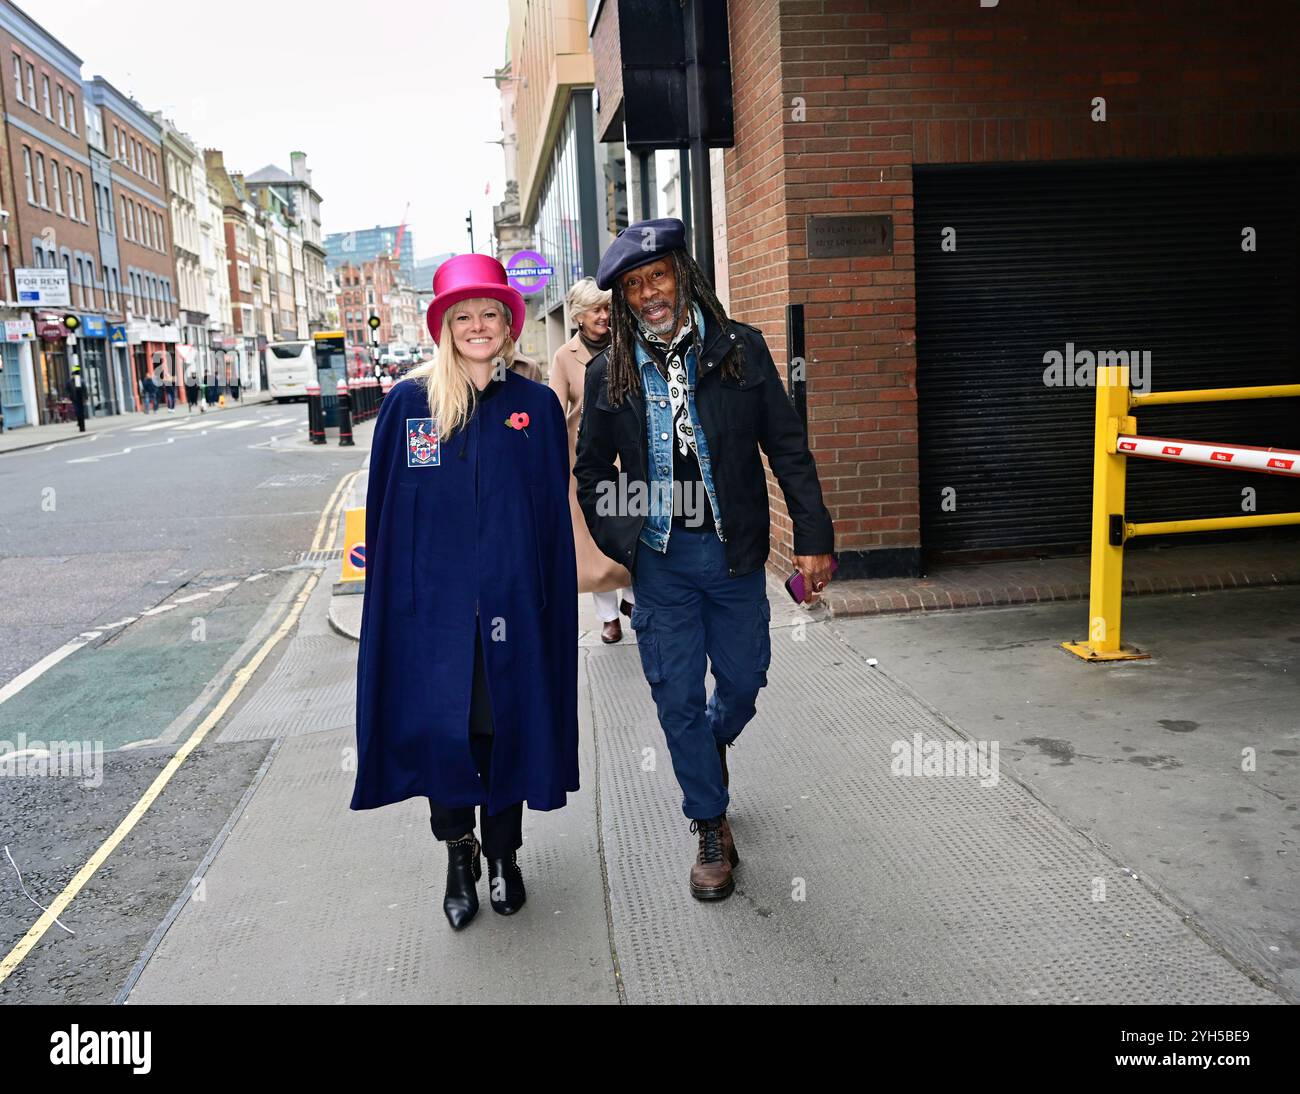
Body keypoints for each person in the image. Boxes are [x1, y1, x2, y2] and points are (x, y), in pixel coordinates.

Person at [575, 218, 836, 902]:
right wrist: (626, 538)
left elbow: (787, 446)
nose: (647, 293)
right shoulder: (612, 372)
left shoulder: (739, 351)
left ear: (682, 276)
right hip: (661, 561)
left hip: (733, 554)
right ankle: (710, 823)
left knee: (745, 681)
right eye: (633, 285)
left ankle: (710, 751)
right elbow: (594, 471)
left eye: (656, 276)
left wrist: (814, 535)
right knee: (677, 697)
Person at [352, 253, 578, 930]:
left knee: (505, 730)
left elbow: (549, 519)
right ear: (445, 327)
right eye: (463, 316)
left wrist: (546, 601)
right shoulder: (411, 406)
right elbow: (389, 514)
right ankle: (459, 854)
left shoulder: (534, 406)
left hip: (514, 611)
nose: (478, 326)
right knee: (440, 736)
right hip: (434, 618)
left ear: (508, 324)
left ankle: (505, 856)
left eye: (489, 314)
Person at [549, 277, 635, 643]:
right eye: (597, 309)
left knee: (632, 528)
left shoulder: (628, 345)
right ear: (579, 316)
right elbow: (554, 410)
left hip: (628, 454)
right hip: (583, 458)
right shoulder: (564, 356)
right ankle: (608, 617)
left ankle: (633, 598)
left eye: (608, 308)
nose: (604, 316)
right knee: (593, 538)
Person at [64, 365, 86, 432]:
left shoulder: (81, 381)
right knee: (77, 411)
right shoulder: (69, 382)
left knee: (81, 412)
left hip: (81, 399)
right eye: (73, 375)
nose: (74, 376)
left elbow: (84, 390)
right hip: (74, 399)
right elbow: (67, 389)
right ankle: (79, 422)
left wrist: (85, 397)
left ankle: (80, 423)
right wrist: (68, 396)